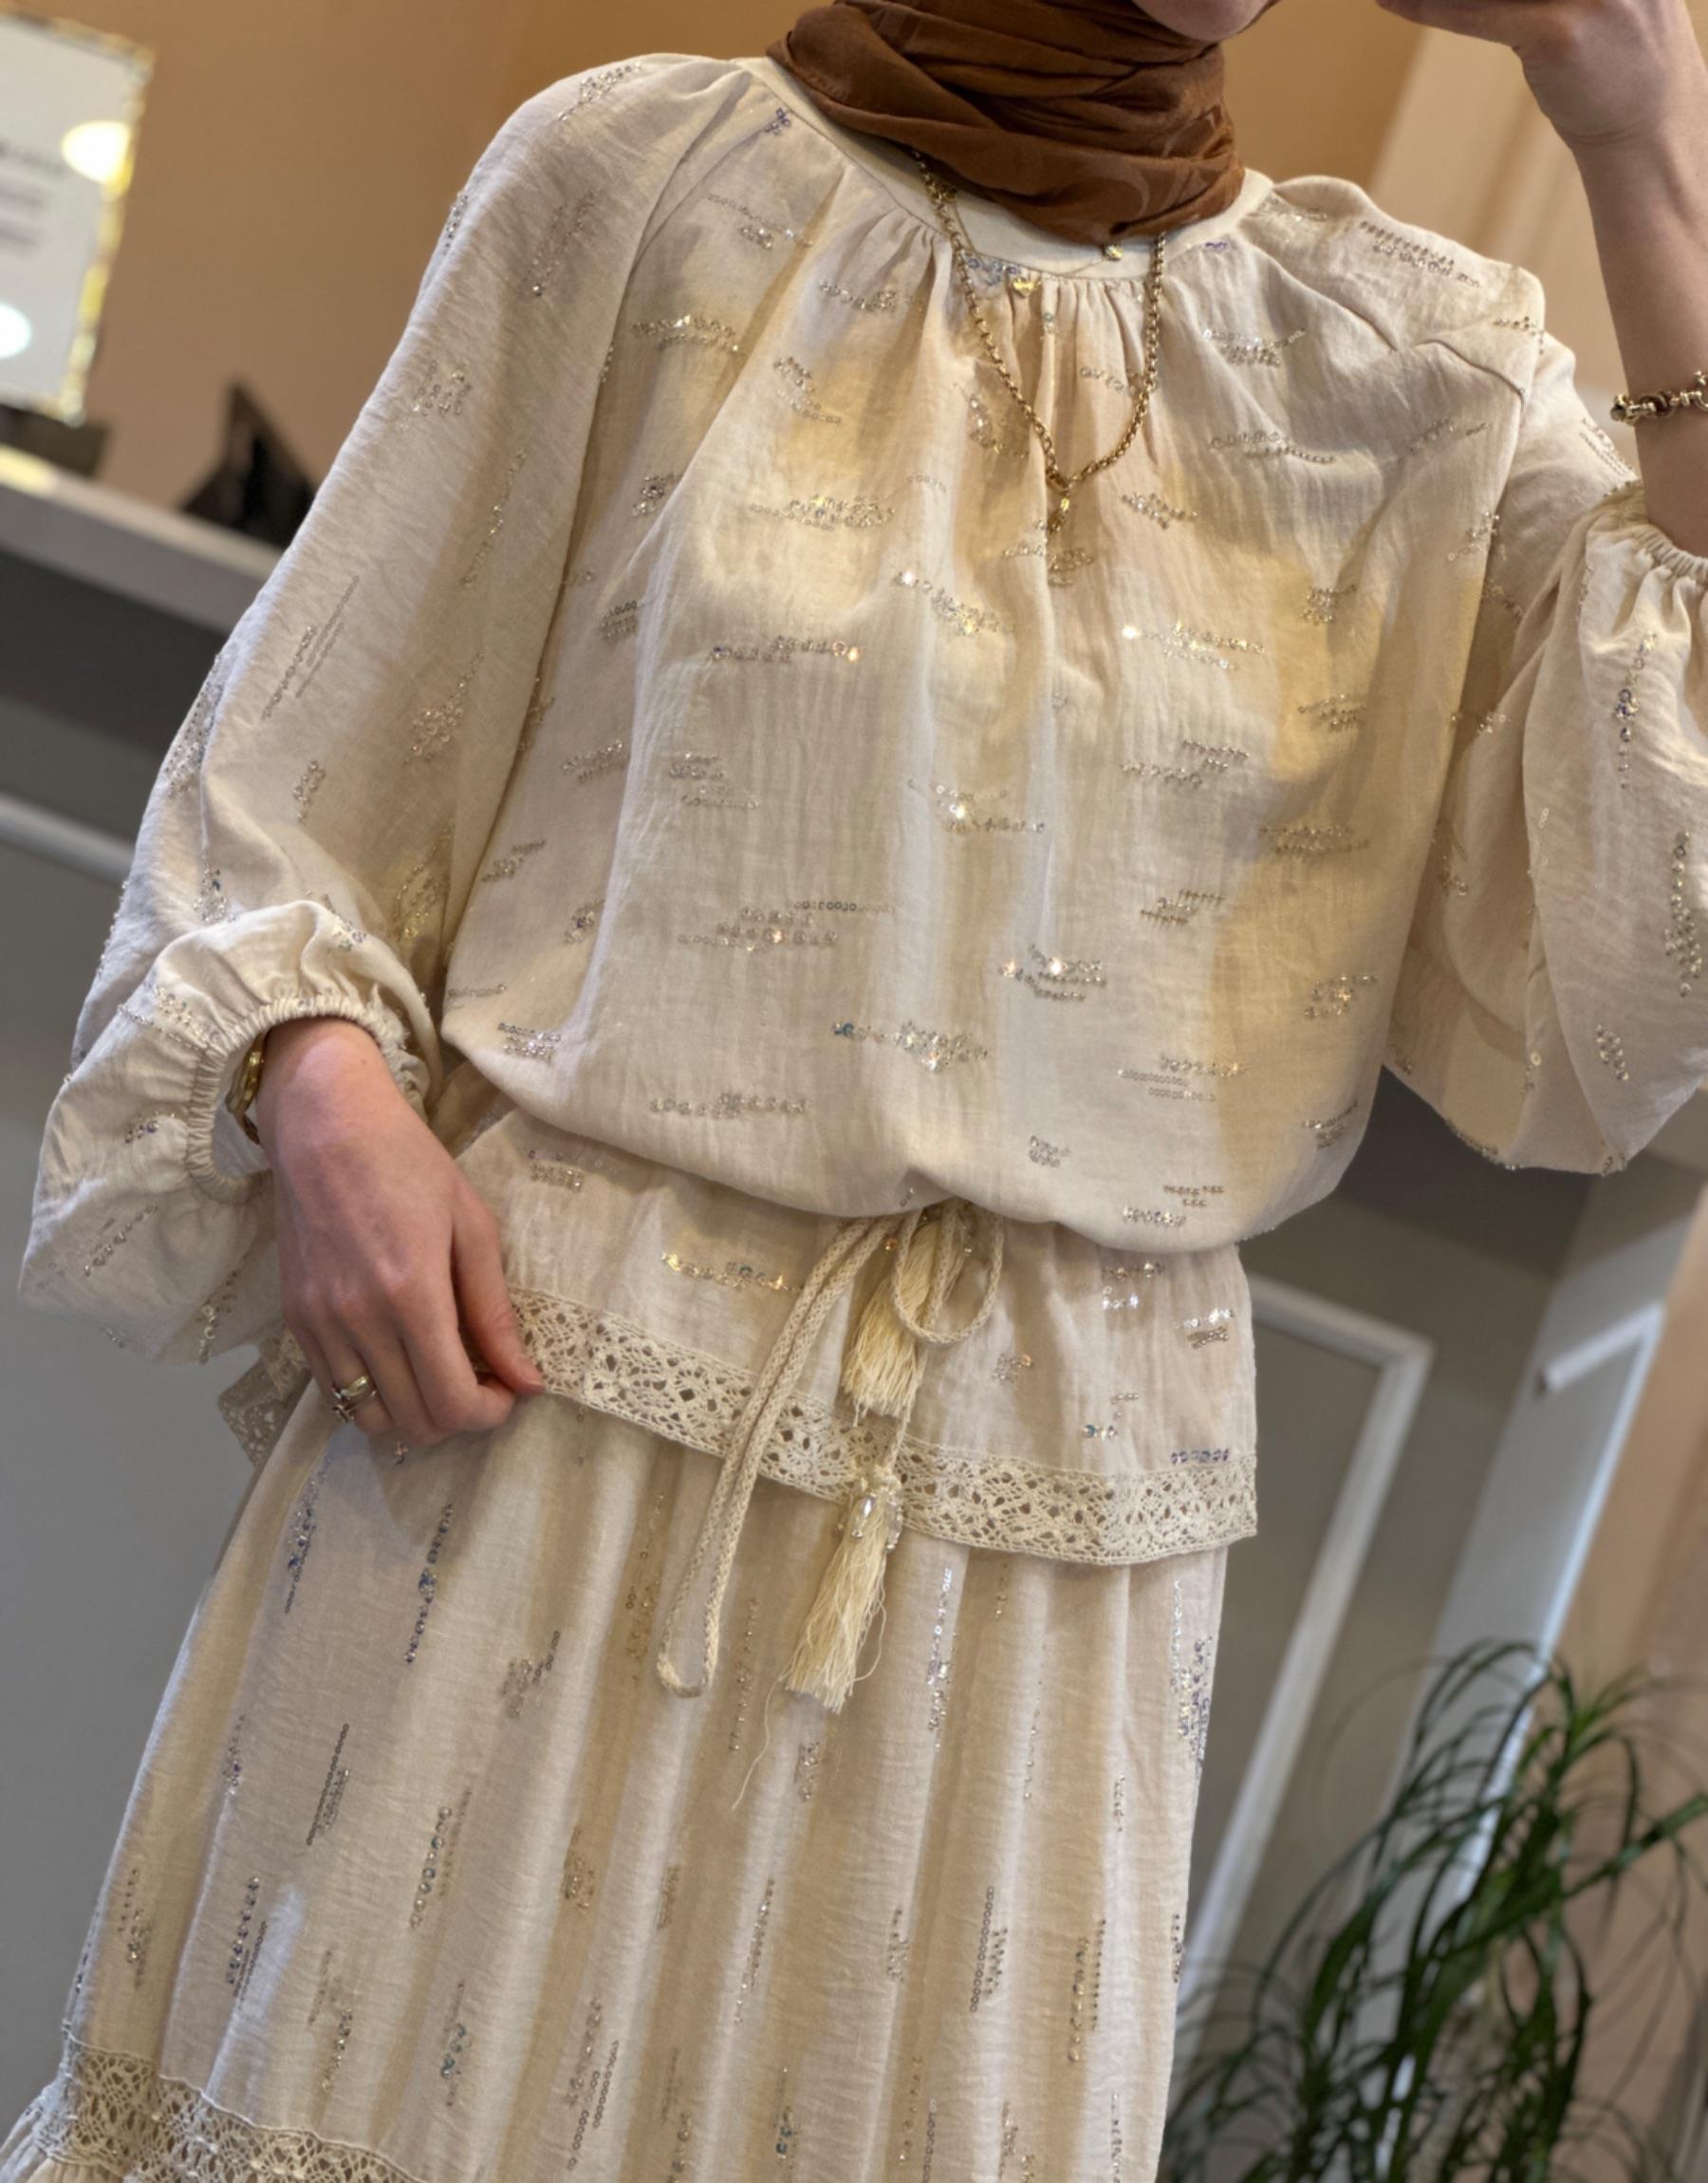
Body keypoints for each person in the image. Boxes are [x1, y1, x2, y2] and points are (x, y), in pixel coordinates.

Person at [7, 0, 1707, 2174]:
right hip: (535, 1445)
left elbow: (1650, 956)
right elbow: (281, 799)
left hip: (1042, 1565)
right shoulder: (639, 185)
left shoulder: (1403, 361)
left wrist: (1639, 128)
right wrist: (318, 1084)